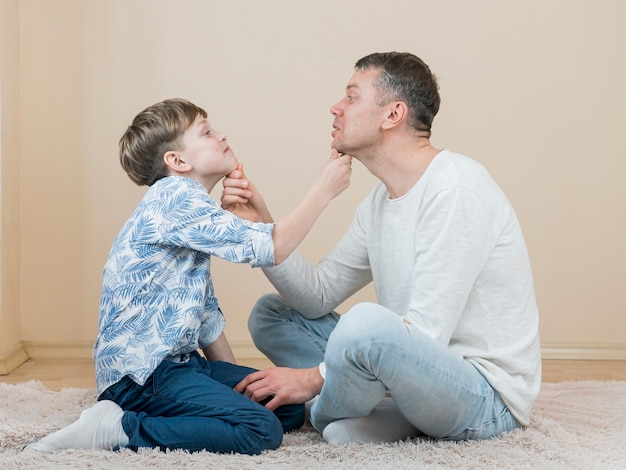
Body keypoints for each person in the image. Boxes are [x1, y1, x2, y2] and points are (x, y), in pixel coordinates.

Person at [221, 52, 542, 445]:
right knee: (272, 314)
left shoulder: (455, 190)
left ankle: (324, 413)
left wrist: (310, 379)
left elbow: (425, 333)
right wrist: (262, 228)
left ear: (393, 115)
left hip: (484, 395)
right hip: (411, 371)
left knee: (367, 325)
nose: (336, 108)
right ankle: (376, 410)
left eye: (352, 97)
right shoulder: (379, 201)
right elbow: (318, 296)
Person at [26, 98, 352, 454]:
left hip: (181, 366)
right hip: (143, 375)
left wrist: (236, 388)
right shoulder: (174, 197)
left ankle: (166, 415)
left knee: (283, 406)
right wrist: (324, 189)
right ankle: (117, 429)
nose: (221, 135)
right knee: (260, 429)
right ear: (178, 162)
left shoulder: (190, 209)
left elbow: (205, 319)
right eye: (207, 132)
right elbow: (273, 247)